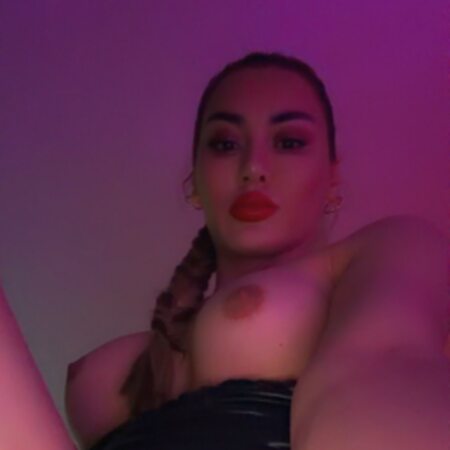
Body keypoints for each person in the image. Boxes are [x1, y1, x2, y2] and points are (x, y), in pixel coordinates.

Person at [2, 51, 447, 450]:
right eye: (225, 144)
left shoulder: (386, 247)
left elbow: (383, 365)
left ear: (333, 178)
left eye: (289, 142)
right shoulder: (126, 367)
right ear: (194, 180)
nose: (253, 167)